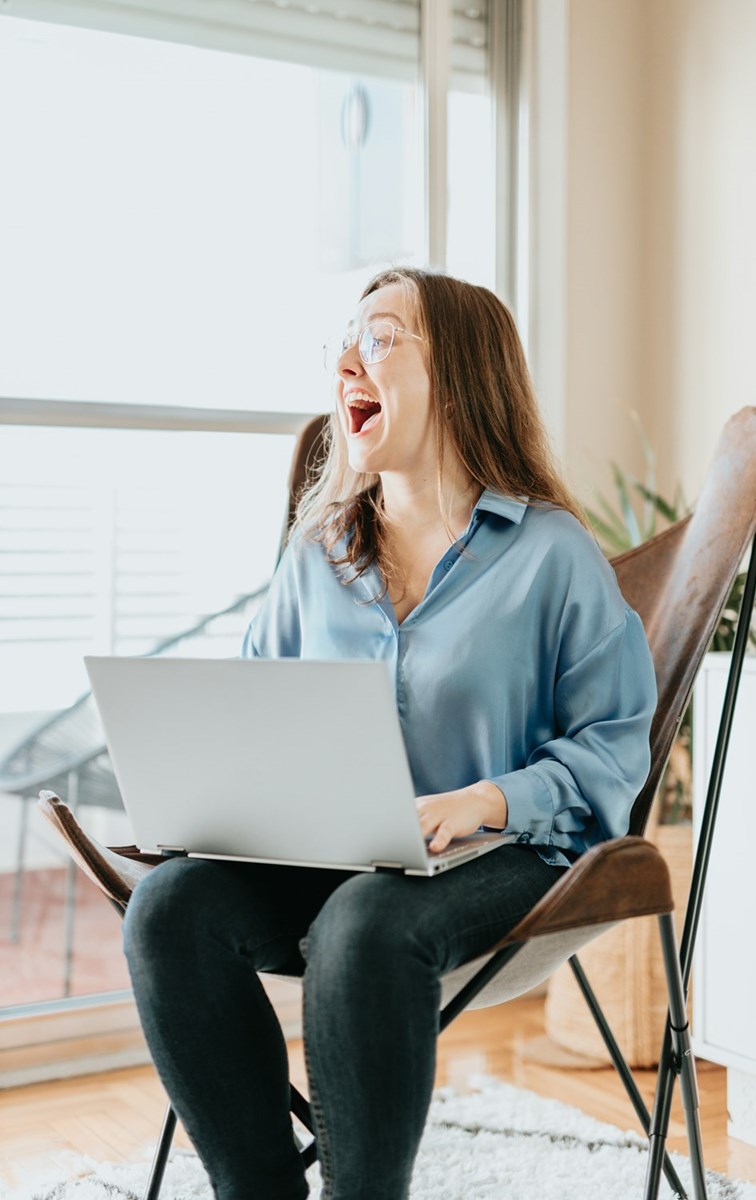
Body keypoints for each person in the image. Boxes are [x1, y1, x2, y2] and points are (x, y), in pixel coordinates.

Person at [123, 267, 657, 1200]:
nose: (344, 364)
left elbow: (613, 748)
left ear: (455, 375)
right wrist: (212, 803)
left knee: (366, 924)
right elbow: (258, 717)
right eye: (341, 345)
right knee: (168, 905)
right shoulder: (317, 556)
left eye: (378, 338)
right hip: (332, 858)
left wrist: (482, 798)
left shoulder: (550, 554)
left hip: (507, 853)